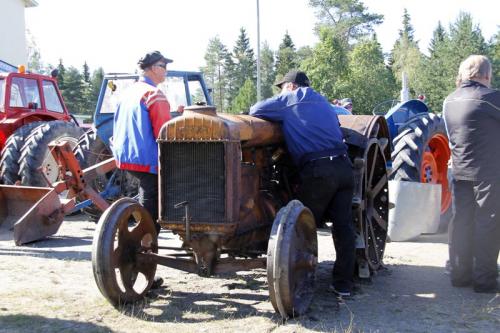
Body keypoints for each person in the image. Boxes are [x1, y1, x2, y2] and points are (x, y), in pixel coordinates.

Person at [250, 70, 355, 297]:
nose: (281, 92)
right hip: (344, 168)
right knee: (343, 225)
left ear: (291, 86)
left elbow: (255, 110)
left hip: (319, 171)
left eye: (282, 87)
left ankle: (296, 281)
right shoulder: (324, 102)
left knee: (298, 224)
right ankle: (343, 284)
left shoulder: (290, 98)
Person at [112, 51, 172, 290]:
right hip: (149, 161)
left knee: (145, 204)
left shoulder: (127, 94)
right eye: (163, 65)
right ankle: (143, 260)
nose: (165, 70)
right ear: (151, 68)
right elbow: (166, 135)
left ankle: (136, 237)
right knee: (151, 217)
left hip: (127, 160)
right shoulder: (154, 95)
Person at [443, 55, 500, 293]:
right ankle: (485, 280)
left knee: (461, 221)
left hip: (459, 170)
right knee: (488, 222)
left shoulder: (449, 100)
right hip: (489, 171)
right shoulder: (492, 98)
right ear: (486, 75)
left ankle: (460, 274)